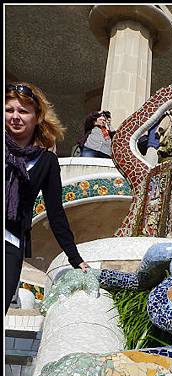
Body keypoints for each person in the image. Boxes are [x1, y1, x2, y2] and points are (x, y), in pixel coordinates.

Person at [5, 82, 89, 312]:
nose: (15, 116)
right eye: (9, 110)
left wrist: (75, 258)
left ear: (37, 116)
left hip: (10, 244)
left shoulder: (46, 162)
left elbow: (55, 212)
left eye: (23, 111)